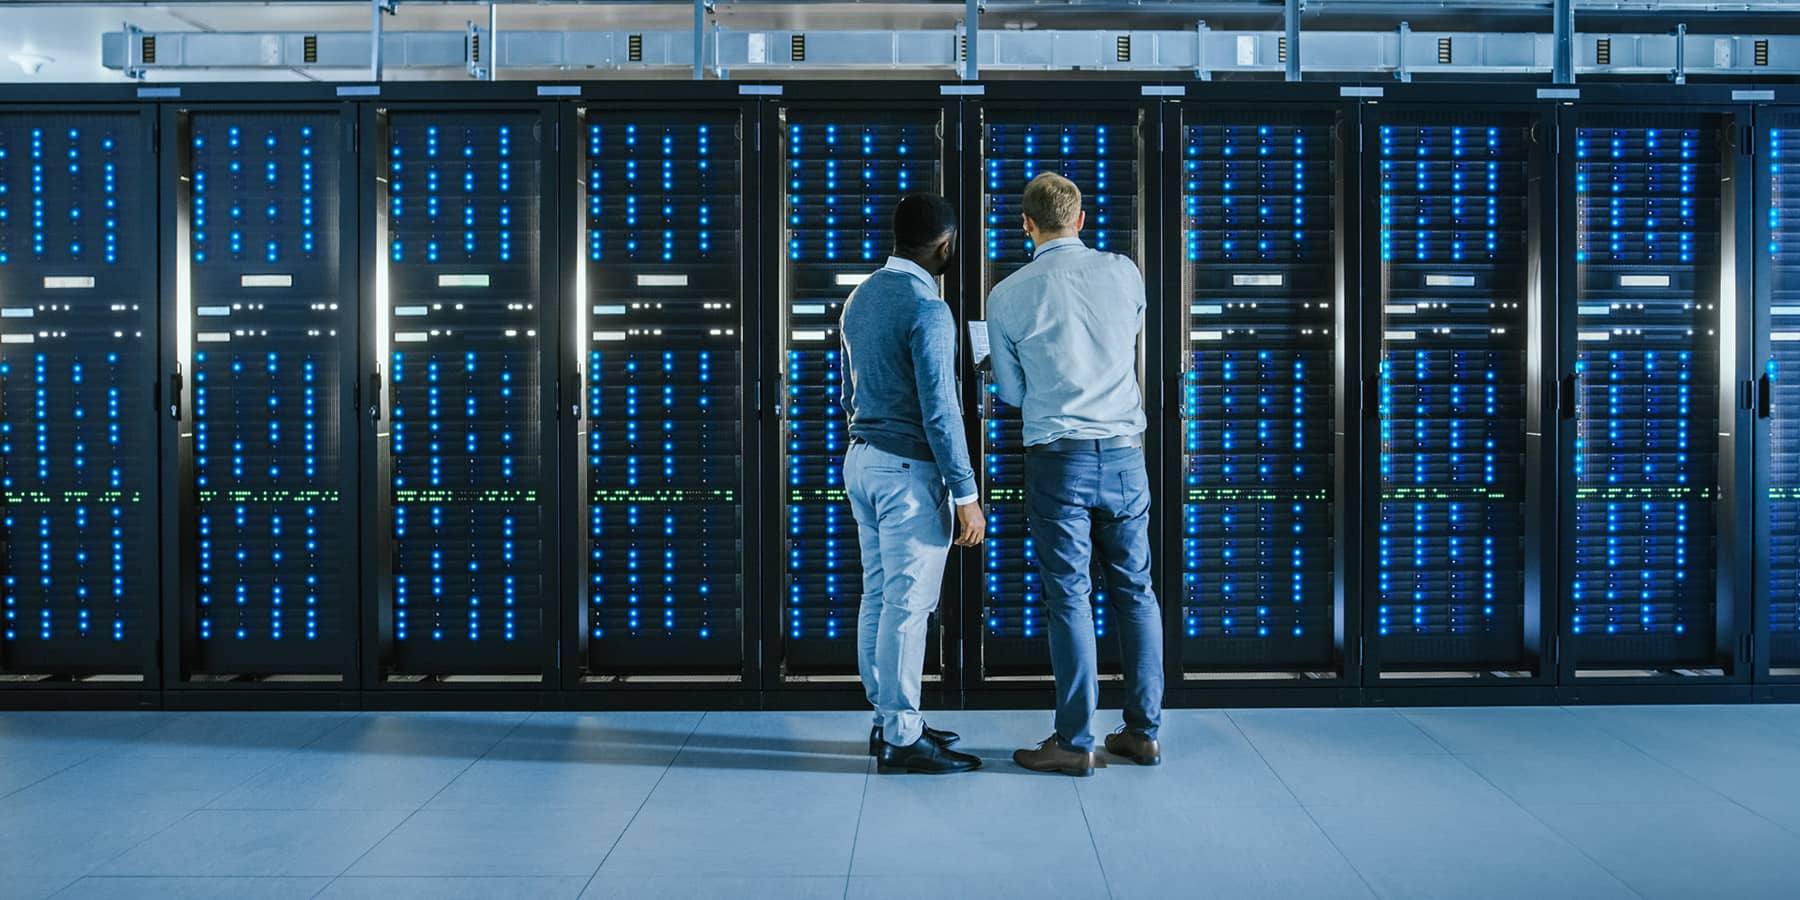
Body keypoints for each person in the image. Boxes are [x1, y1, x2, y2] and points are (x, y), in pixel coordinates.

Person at [986, 172, 1165, 777]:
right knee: (1136, 592)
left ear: (1027, 225)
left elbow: (1010, 394)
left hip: (1057, 460)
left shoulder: (1008, 294)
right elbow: (1130, 341)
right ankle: (1142, 733)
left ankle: (1075, 740)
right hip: (1124, 454)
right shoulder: (1125, 272)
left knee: (1070, 595)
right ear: (1081, 219)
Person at [840, 193, 987, 775]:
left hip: (862, 460)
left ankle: (888, 721)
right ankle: (902, 736)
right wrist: (967, 494)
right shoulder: (928, 309)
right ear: (945, 244)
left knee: (878, 596)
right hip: (907, 472)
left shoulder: (861, 296)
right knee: (908, 605)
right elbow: (941, 410)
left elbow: (850, 393)